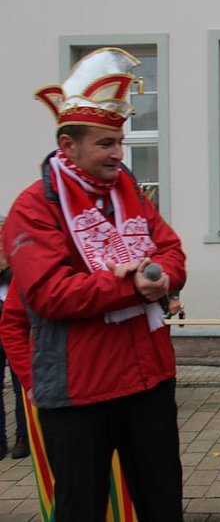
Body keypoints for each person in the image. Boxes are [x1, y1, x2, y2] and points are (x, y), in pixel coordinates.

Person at [0, 47, 186, 521]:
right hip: (80, 392)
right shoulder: (32, 208)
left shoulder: (129, 192)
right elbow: (49, 295)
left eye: (120, 142)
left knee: (162, 502)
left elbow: (172, 250)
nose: (119, 154)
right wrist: (134, 288)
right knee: (80, 508)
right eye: (106, 144)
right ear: (68, 146)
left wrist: (163, 275)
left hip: (149, 380)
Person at [0, 215, 28, 460]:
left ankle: (23, 436)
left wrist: (6, 267)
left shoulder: (17, 256)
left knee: (20, 385)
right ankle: (0, 439)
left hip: (15, 327)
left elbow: (22, 279)